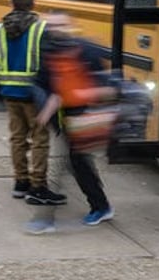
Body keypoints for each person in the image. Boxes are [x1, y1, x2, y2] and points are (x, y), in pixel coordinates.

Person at [0, 0, 66, 205]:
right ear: (32, 4)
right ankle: (38, 186)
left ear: (12, 4)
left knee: (17, 138)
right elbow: (50, 61)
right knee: (39, 140)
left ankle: (20, 182)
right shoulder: (40, 28)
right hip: (34, 94)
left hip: (9, 92)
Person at [34, 12, 117, 229]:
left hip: (86, 117)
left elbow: (106, 87)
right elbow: (52, 88)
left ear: (70, 25)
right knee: (78, 164)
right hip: (69, 119)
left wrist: (82, 95)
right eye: (51, 26)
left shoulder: (86, 50)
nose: (56, 29)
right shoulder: (50, 52)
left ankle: (97, 207)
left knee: (75, 163)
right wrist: (46, 112)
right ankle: (99, 205)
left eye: (60, 24)